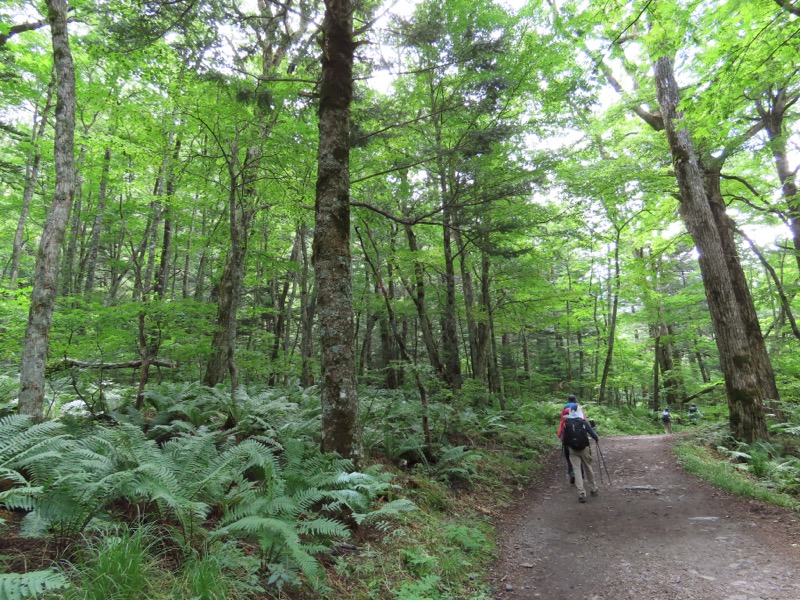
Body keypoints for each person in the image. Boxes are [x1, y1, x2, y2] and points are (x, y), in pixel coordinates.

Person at [562, 408, 599, 503]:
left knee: (577, 470)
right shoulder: (582, 422)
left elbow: (563, 438)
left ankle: (581, 493)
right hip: (584, 448)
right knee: (588, 467)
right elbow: (592, 434)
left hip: (572, 450)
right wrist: (596, 438)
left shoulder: (566, 423)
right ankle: (593, 489)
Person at [557, 395, 585, 484]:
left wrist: (561, 435)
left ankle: (571, 473)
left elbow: (562, 420)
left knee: (569, 456)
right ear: (575, 400)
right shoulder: (578, 407)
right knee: (579, 454)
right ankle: (581, 473)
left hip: (567, 435)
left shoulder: (565, 408)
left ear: (568, 400)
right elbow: (584, 419)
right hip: (579, 435)